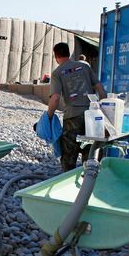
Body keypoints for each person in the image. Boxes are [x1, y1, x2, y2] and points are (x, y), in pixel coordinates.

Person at [47, 42, 106, 172]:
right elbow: (101, 90)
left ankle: (69, 186)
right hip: (92, 116)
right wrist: (103, 112)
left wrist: (48, 117)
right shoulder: (84, 67)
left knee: (69, 157)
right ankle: (90, 185)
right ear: (69, 53)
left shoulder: (57, 72)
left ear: (56, 56)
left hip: (72, 118)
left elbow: (55, 98)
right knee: (91, 154)